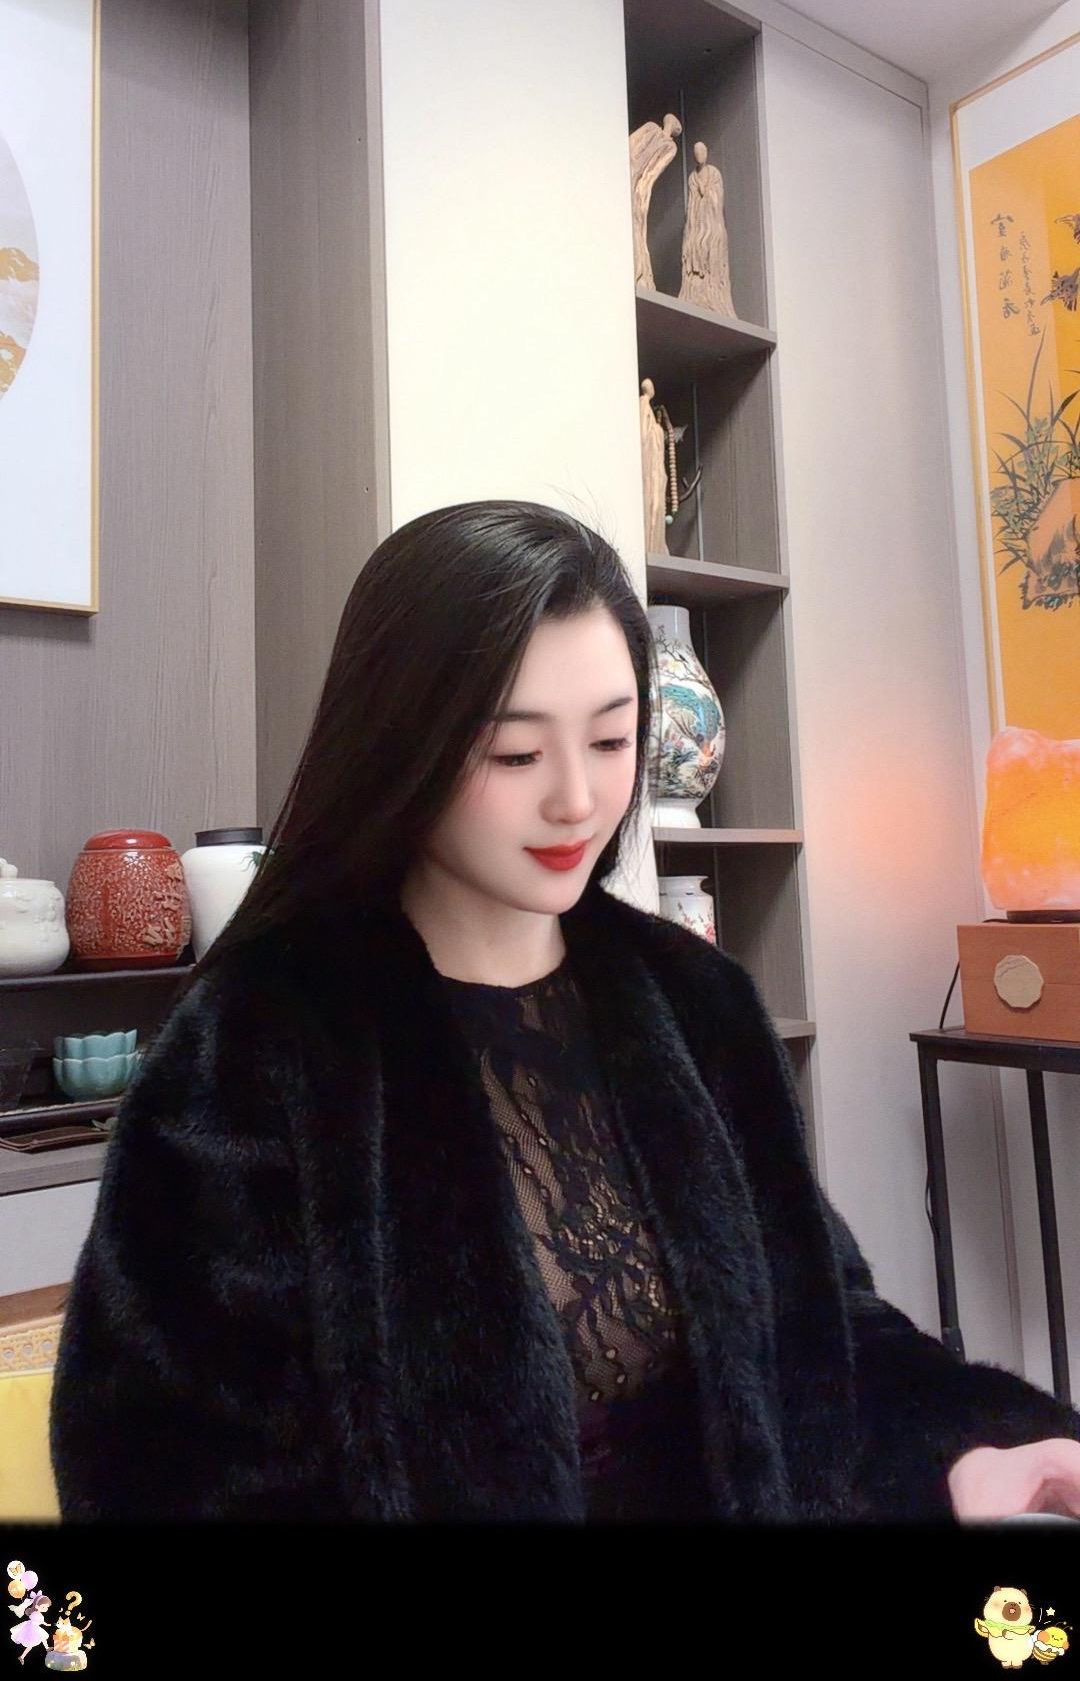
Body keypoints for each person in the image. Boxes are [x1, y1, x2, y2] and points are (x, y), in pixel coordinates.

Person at [49, 500, 1080, 1523]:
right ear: (399, 745)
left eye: (612, 739)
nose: (578, 800)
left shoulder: (697, 1002)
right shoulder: (258, 1045)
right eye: (516, 755)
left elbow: (825, 1330)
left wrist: (974, 1446)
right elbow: (156, 1465)